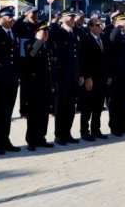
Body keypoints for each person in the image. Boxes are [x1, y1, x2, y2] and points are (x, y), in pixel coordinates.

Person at [0, 6, 21, 155]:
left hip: (11, 78)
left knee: (7, 111)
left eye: (12, 16)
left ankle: (6, 139)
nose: (12, 19)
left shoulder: (13, 33)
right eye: (8, 17)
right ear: (1, 18)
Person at [51, 8, 83, 145]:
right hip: (62, 76)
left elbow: (79, 56)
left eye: (73, 17)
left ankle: (67, 132)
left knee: (71, 107)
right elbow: (51, 36)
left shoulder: (74, 33)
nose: (72, 19)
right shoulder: (59, 32)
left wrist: (81, 74)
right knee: (61, 106)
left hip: (74, 75)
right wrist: (55, 22)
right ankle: (59, 135)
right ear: (63, 18)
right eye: (69, 17)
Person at [23, 21, 56, 150]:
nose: (45, 34)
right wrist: (39, 40)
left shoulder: (48, 46)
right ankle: (31, 140)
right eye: (43, 31)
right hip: (34, 86)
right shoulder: (29, 43)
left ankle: (41, 137)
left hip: (46, 85)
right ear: (36, 32)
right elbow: (31, 56)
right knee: (33, 114)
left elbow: (51, 67)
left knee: (44, 114)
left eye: (46, 31)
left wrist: (52, 84)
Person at [79, 18, 110, 140]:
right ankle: (84, 131)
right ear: (91, 27)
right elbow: (84, 60)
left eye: (101, 24)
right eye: (97, 25)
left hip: (102, 78)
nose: (100, 26)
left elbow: (105, 60)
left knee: (98, 106)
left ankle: (96, 129)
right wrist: (87, 77)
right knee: (87, 106)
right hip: (91, 79)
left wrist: (107, 75)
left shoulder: (101, 39)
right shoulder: (86, 39)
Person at [107, 11, 125, 136]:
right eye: (122, 20)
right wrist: (118, 27)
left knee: (124, 101)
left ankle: (122, 124)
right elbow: (112, 39)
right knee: (115, 101)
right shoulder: (113, 32)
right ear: (116, 22)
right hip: (116, 74)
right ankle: (114, 126)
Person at [13, 8, 39, 118]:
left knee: (35, 85)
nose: (35, 16)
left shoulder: (37, 25)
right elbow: (15, 27)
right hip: (24, 60)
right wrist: (23, 16)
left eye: (36, 14)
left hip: (36, 59)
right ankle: (23, 110)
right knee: (24, 86)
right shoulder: (23, 25)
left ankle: (33, 107)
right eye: (33, 14)